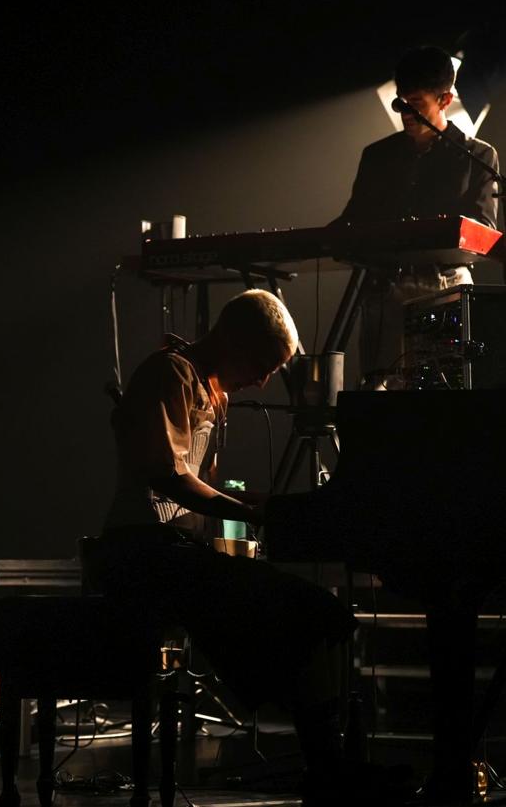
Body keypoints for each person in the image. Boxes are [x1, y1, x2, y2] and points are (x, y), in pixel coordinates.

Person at [97, 290, 373, 805]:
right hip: (142, 551)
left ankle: (332, 763)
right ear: (232, 338)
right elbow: (170, 478)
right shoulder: (171, 374)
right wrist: (251, 513)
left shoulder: (211, 391)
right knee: (309, 613)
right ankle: (328, 768)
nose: (265, 380)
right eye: (262, 364)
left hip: (173, 552)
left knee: (322, 614)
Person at [336, 45, 501, 382]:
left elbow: (484, 230)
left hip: (445, 286)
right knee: (379, 391)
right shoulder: (378, 156)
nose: (407, 114)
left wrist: (447, 230)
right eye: (402, 104)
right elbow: (353, 220)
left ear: (445, 100)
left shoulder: (478, 156)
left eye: (418, 105)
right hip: (386, 289)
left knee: (445, 393)